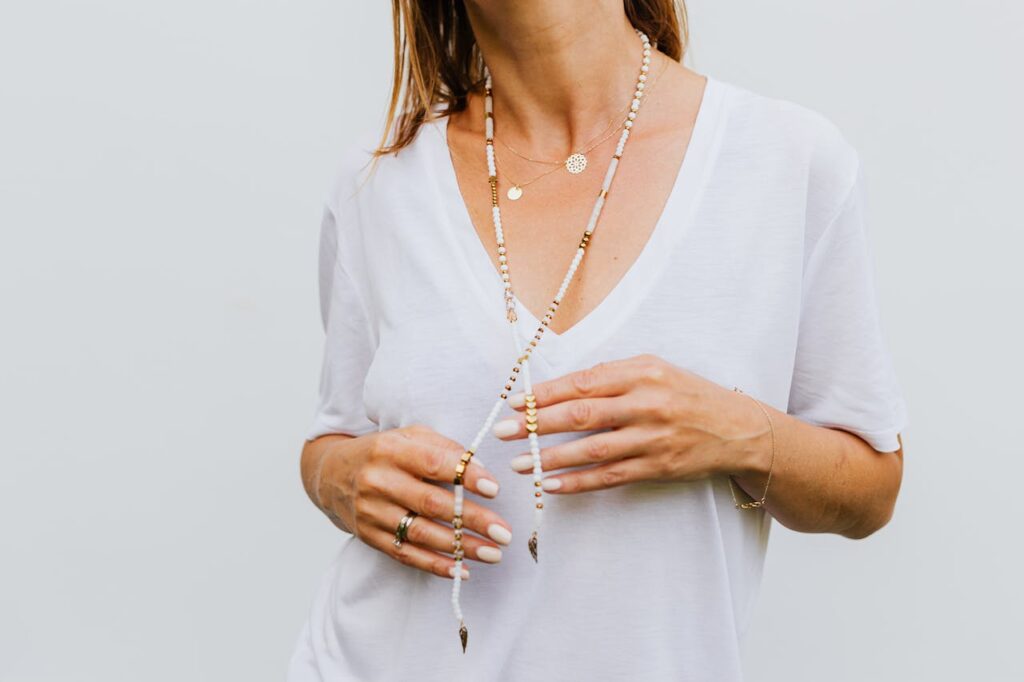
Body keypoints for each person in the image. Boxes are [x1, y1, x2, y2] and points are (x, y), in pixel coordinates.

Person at [289, 1, 908, 679]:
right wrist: (338, 479)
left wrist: (739, 432)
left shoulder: (790, 162)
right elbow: (336, 438)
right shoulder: (377, 184)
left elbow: (870, 489)